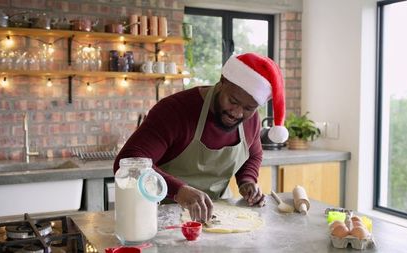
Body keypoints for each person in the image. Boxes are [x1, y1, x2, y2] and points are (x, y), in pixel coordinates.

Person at [114, 53, 288, 222]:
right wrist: (179, 191)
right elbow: (127, 162)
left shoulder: (251, 121)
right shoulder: (175, 111)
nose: (237, 113)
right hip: (161, 213)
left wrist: (247, 181)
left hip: (219, 214)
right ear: (222, 81)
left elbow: (254, 154)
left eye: (249, 108)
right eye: (233, 101)